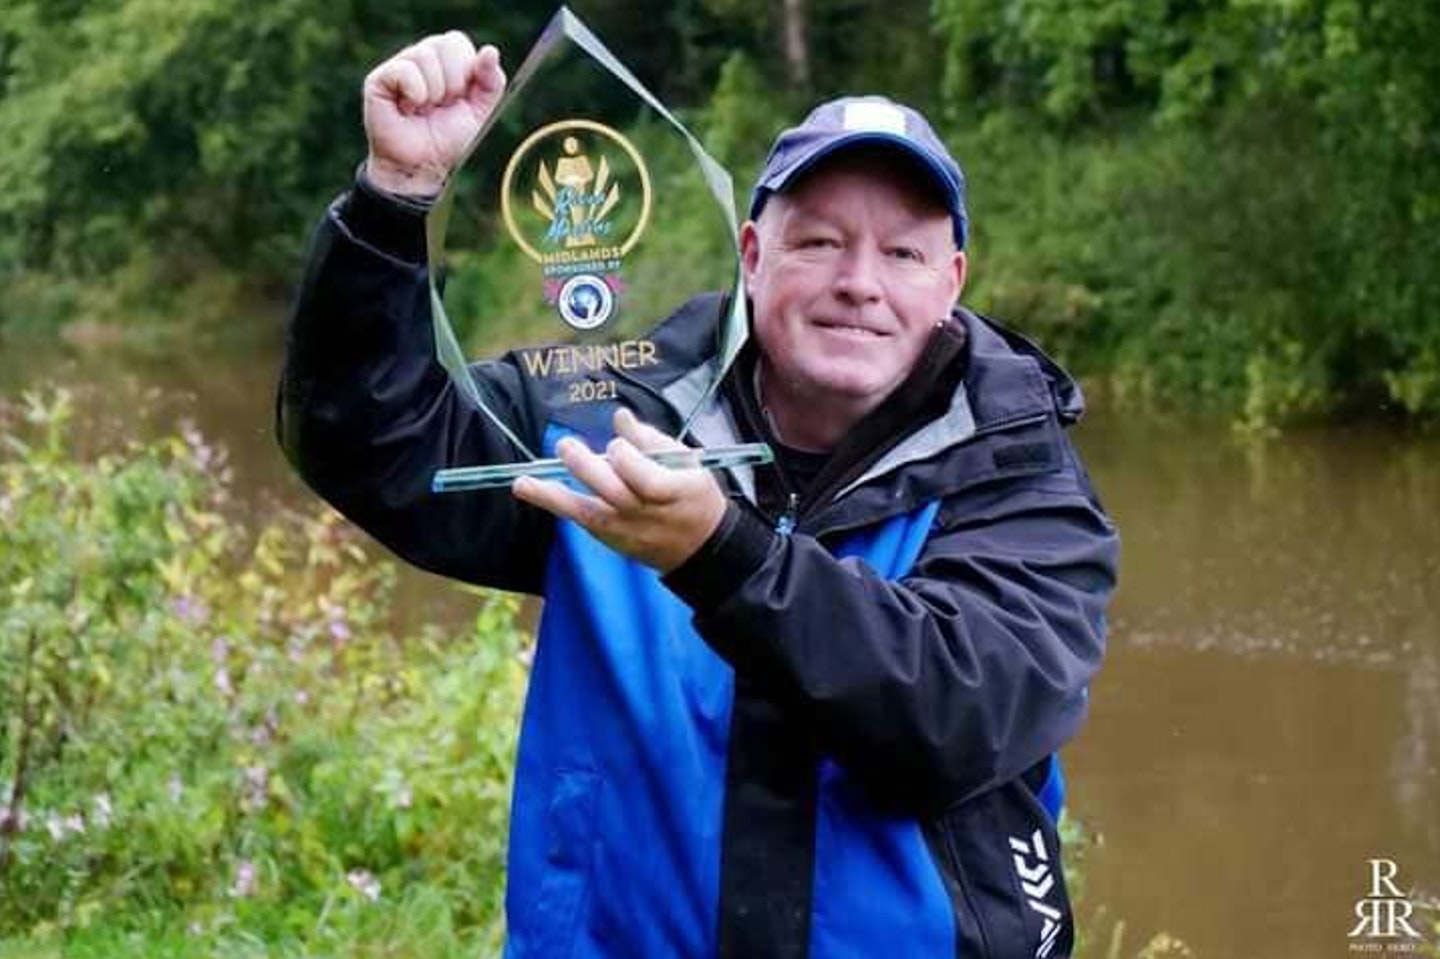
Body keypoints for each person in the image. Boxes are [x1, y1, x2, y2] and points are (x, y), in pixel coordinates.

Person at [277, 30, 1118, 959]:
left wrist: (719, 554)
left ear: (952, 281)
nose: (858, 284)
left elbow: (954, 719)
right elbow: (373, 442)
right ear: (752, 255)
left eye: (903, 255)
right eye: (820, 241)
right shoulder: (609, 420)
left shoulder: (1021, 478)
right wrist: (393, 202)